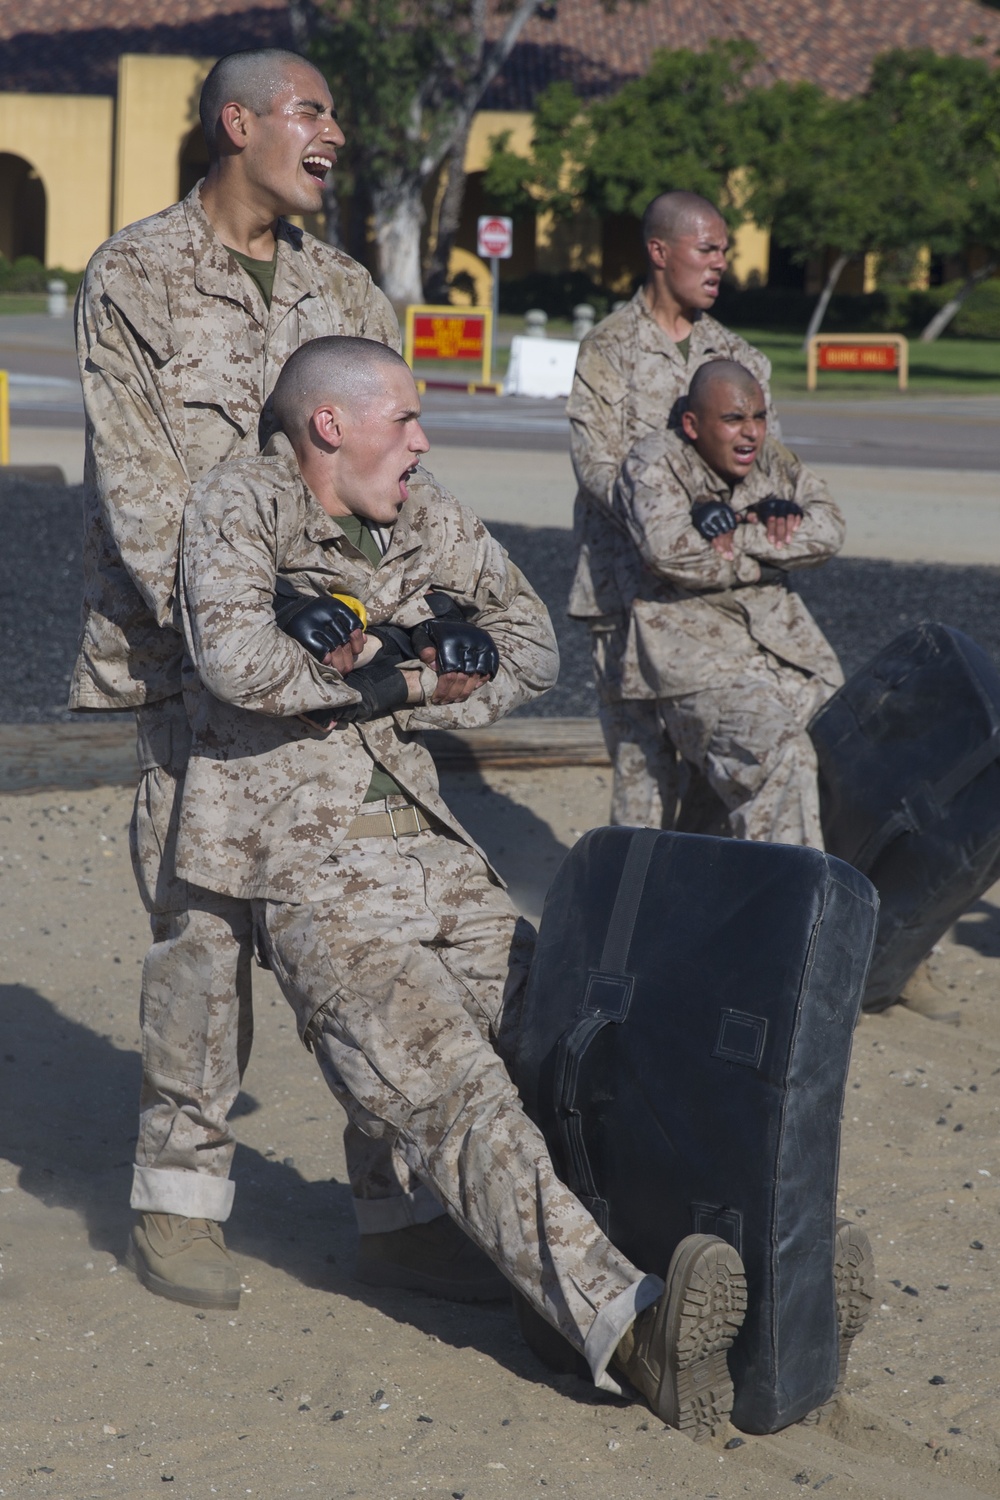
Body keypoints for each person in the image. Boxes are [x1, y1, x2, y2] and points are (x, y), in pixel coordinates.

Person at [176, 333, 749, 1440]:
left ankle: (727, 1272)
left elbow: (528, 646)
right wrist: (411, 662)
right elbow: (239, 661)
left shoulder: (420, 509)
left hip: (437, 863)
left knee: (582, 1043)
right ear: (329, 426)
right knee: (456, 1099)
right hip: (312, 881)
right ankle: (632, 1331)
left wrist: (396, 671)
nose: (424, 441)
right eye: (404, 419)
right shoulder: (237, 507)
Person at [70, 47, 478, 1310]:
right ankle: (178, 1203)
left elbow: (393, 473)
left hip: (341, 676)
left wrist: (405, 624)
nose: (337, 134)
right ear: (236, 124)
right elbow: (141, 497)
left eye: (337, 113)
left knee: (366, 928)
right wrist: (249, 630)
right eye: (313, 111)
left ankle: (399, 1209)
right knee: (201, 933)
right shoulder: (133, 275)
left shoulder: (347, 285)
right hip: (183, 671)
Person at [566, 191, 775, 829]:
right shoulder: (608, 349)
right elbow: (594, 463)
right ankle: (634, 924)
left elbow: (762, 471)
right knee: (642, 771)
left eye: (725, 252)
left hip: (710, 600)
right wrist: (667, 520)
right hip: (624, 593)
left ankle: (703, 919)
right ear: (660, 251)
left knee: (722, 775)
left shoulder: (742, 361)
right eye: (706, 249)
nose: (720, 264)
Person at [611, 359, 844, 848]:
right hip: (697, 669)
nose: (751, 433)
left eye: (758, 417)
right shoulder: (655, 464)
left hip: (791, 658)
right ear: (694, 425)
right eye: (734, 419)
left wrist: (740, 527)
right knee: (781, 756)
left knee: (857, 745)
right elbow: (669, 552)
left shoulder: (773, 460)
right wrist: (773, 555)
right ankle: (792, 912)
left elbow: (829, 529)